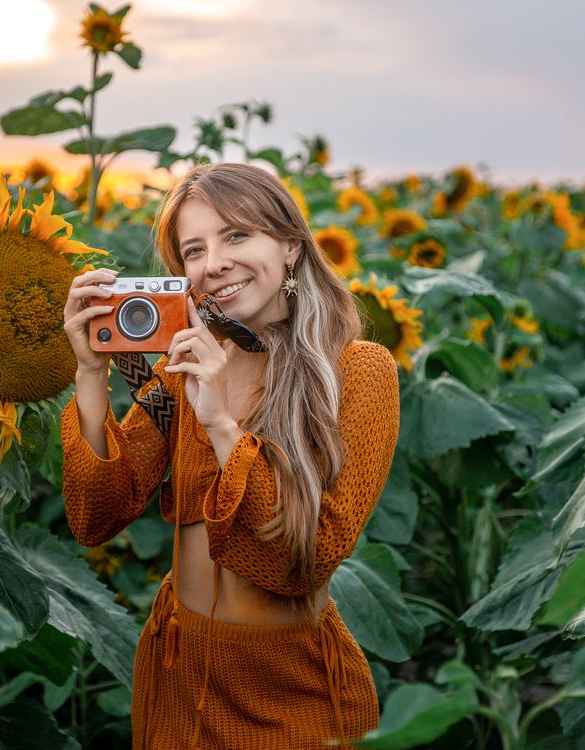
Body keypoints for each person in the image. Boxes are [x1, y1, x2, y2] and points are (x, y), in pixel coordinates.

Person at [60, 162, 400, 750]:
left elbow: (311, 559)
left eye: (237, 235)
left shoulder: (358, 372)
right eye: (194, 250)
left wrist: (219, 422)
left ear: (290, 245)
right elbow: (96, 517)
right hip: (178, 672)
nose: (213, 262)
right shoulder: (186, 366)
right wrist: (90, 377)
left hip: (291, 689)